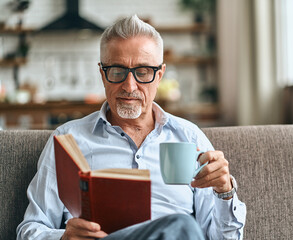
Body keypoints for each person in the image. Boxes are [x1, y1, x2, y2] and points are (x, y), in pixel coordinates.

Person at [16, 15, 246, 240]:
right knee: (182, 226)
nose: (129, 85)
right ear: (102, 74)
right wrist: (64, 237)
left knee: (181, 227)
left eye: (143, 72)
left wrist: (225, 191)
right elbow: (31, 229)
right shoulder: (68, 139)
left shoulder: (190, 137)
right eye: (117, 71)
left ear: (160, 75)